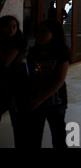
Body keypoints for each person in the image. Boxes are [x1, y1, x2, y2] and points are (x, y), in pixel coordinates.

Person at [11, 19, 72, 148]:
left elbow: (59, 81)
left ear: (53, 33)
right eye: (37, 32)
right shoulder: (33, 52)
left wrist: (40, 99)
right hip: (35, 98)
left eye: (43, 32)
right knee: (33, 136)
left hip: (55, 100)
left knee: (58, 135)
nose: (39, 35)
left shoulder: (61, 53)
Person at [0, 16, 27, 122]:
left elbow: (5, 63)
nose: (11, 30)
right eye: (7, 26)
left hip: (15, 84)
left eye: (14, 27)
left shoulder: (18, 42)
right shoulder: (4, 41)